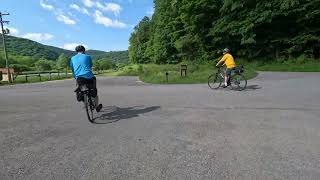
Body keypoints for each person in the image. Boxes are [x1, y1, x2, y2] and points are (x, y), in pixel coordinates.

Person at [70, 45, 102, 112]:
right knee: (94, 92)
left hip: (79, 78)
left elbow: (72, 70)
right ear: (84, 51)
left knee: (82, 91)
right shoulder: (88, 57)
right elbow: (90, 66)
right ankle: (96, 106)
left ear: (76, 51)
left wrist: (75, 77)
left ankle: (85, 103)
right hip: (89, 77)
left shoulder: (72, 58)